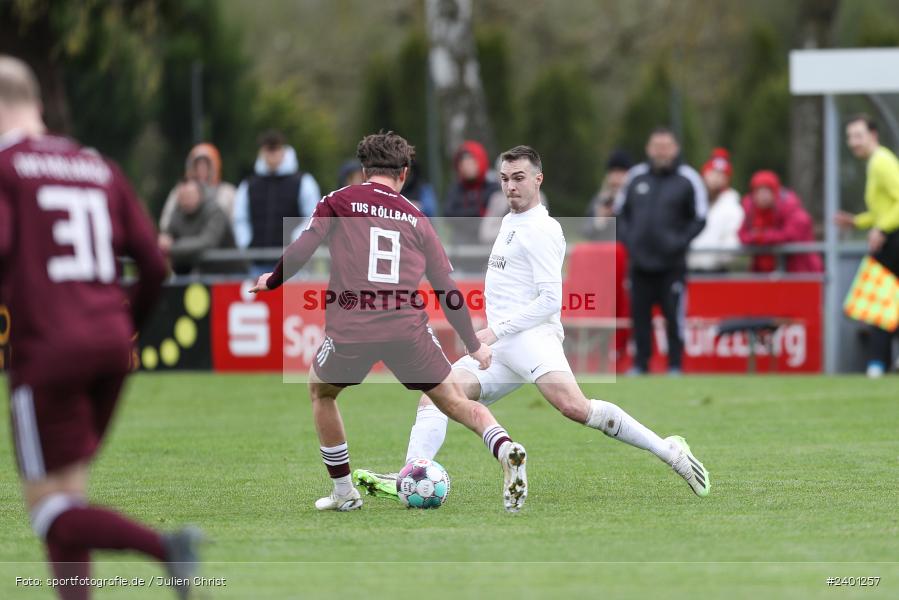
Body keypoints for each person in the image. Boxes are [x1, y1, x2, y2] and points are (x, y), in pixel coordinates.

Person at [353, 146, 710, 503]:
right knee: (437, 394)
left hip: (533, 340)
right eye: (505, 179)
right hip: (504, 347)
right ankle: (410, 474)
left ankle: (670, 451)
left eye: (519, 178)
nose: (511, 186)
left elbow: (550, 300)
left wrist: (496, 329)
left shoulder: (542, 229)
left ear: (538, 179)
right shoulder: (510, 220)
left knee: (575, 407)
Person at [0, 55, 201, 600]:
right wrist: (121, 327)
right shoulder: (98, 165)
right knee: (68, 495)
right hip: (111, 348)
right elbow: (156, 264)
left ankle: (166, 548)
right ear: (38, 106)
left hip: (48, 350)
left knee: (48, 512)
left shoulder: (7, 167)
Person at [249, 131, 530, 513]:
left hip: (353, 327)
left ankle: (345, 492)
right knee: (454, 401)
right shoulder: (417, 218)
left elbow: (303, 247)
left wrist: (273, 279)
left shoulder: (338, 201)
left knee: (322, 391)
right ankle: (505, 448)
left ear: (365, 170)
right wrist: (475, 344)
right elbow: (447, 288)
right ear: (404, 173)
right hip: (406, 328)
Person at [614, 127, 708, 375]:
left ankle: (675, 365)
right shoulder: (635, 177)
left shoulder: (688, 179)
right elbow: (620, 213)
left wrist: (678, 242)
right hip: (639, 264)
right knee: (640, 317)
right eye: (657, 146)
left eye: (666, 146)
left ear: (675, 149)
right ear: (648, 148)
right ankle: (640, 365)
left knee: (673, 317)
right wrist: (629, 240)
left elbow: (699, 217)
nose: (661, 152)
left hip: (672, 265)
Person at [836, 114, 899, 378]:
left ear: (873, 135)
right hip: (889, 238)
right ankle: (877, 363)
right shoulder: (874, 163)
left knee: (882, 303)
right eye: (850, 137)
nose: (853, 142)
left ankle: (876, 364)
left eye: (858, 135)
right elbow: (882, 209)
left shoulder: (882, 161)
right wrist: (858, 222)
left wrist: (881, 230)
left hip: (894, 240)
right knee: (884, 304)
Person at [232, 130, 321, 269]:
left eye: (275, 148)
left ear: (283, 150)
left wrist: (297, 241)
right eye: (268, 149)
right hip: (257, 264)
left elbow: (313, 216)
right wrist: (246, 244)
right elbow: (240, 219)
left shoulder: (304, 182)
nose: (272, 154)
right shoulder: (248, 185)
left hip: (293, 265)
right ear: (262, 152)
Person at [738, 170, 823, 273]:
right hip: (765, 272)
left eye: (767, 191)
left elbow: (791, 235)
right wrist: (758, 237)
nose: (763, 196)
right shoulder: (751, 210)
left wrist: (761, 237)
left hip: (800, 270)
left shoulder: (791, 208)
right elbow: (742, 235)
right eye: (759, 191)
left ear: (775, 192)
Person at [159, 179, 243, 275]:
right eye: (182, 197)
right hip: (194, 274)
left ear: (200, 195)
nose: (186, 200)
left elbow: (207, 242)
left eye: (189, 196)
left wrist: (172, 247)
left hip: (228, 274)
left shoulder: (215, 212)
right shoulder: (178, 213)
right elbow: (167, 236)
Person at [158, 142, 236, 232]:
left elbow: (234, 224)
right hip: (186, 240)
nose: (201, 169)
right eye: (197, 165)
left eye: (205, 165)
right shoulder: (180, 191)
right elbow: (166, 221)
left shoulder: (228, 192)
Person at [688, 148, 744, 272]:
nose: (716, 179)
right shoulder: (690, 202)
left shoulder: (733, 208)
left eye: (721, 175)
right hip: (688, 268)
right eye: (712, 173)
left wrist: (715, 258)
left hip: (716, 271)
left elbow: (732, 240)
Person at [444, 140, 503, 246]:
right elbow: (449, 215)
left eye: (471, 162)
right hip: (461, 248)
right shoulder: (455, 190)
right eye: (463, 163)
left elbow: (494, 218)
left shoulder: (493, 189)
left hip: (488, 249)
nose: (467, 167)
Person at [583, 149, 632, 241]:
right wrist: (599, 219)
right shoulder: (599, 199)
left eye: (621, 172)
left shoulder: (634, 199)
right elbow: (586, 232)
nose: (617, 176)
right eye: (613, 172)